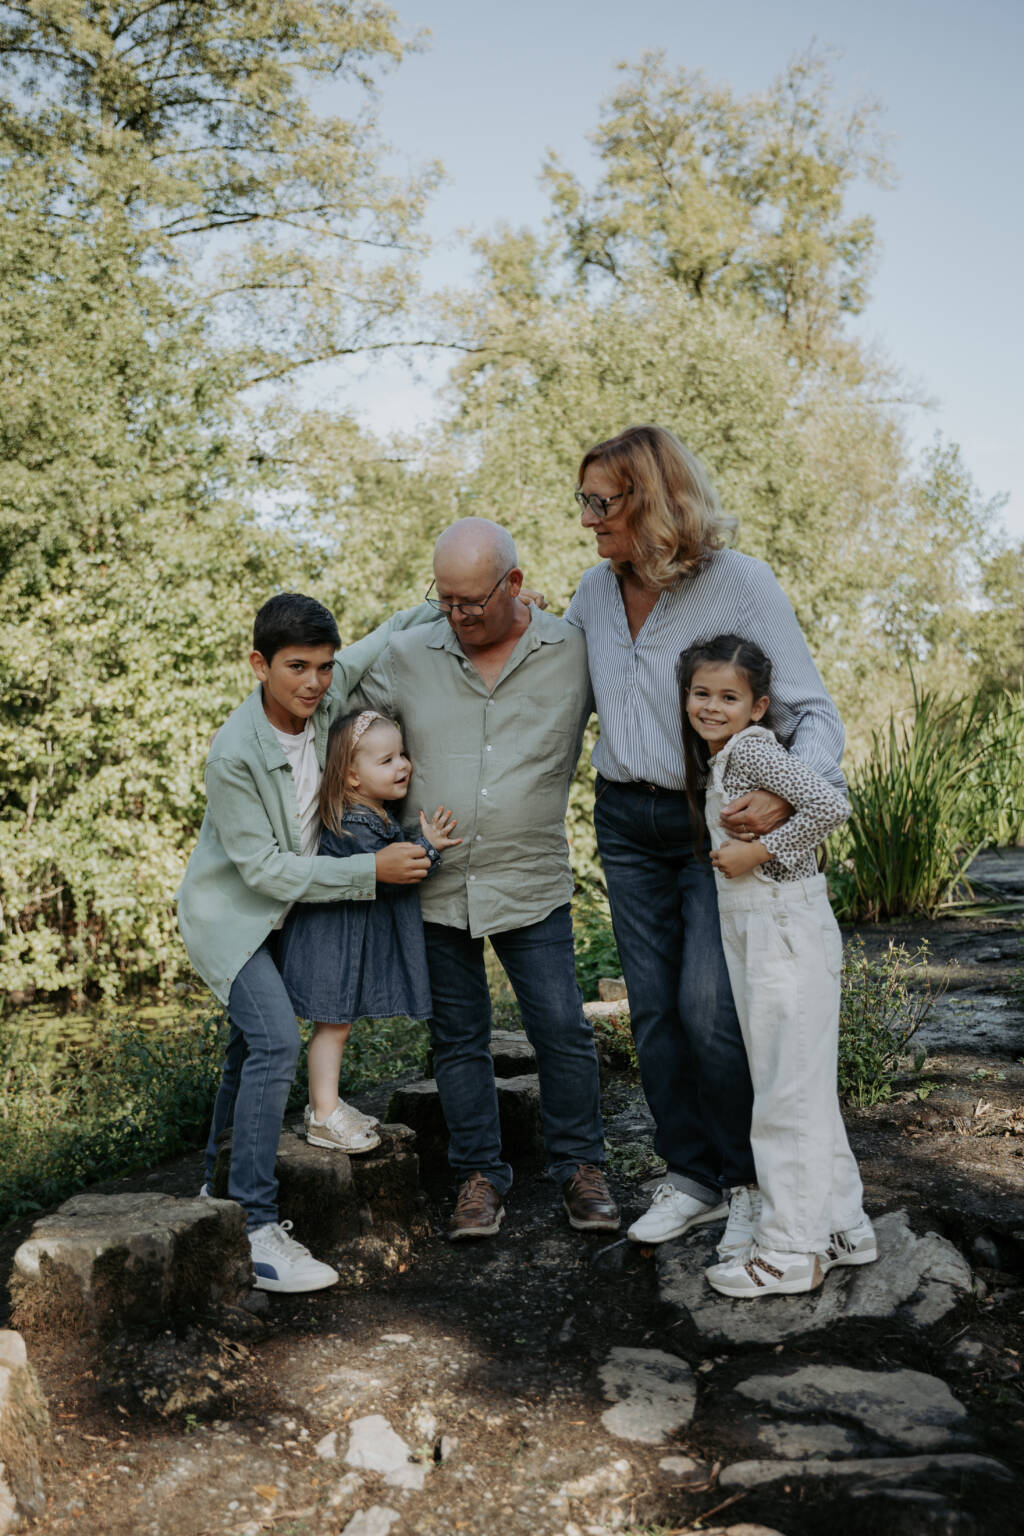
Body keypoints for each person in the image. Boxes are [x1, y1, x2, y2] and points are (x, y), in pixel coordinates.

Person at [566, 424, 847, 1253]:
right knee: (652, 1013)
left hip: (707, 823)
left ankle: (748, 1182)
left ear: (651, 501)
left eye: (600, 502)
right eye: (583, 501)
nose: (586, 518)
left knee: (710, 1008)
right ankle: (688, 1174)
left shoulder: (740, 584)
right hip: (623, 819)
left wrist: (787, 801)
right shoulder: (591, 592)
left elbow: (812, 713)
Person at [350, 517, 620, 1240]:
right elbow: (335, 718)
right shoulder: (407, 653)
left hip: (529, 880)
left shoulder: (572, 649)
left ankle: (581, 1170)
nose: (459, 615)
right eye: (446, 600)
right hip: (432, 880)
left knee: (561, 1030)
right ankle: (478, 1176)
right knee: (457, 1037)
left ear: (514, 584)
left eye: (473, 600)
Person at [176, 593, 435, 1293]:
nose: (315, 683)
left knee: (244, 1052)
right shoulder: (234, 752)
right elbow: (260, 869)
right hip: (233, 918)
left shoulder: (326, 697)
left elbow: (388, 634)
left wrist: (464, 604)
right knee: (273, 1042)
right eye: (297, 667)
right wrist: (368, 870)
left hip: (288, 912)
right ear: (260, 665)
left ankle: (216, 1191)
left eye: (323, 666)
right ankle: (258, 1230)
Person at [677, 634, 876, 1296]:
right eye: (701, 693)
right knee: (801, 1084)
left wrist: (759, 853)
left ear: (758, 706)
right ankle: (844, 1226)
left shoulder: (754, 750)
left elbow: (829, 804)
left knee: (785, 1093)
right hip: (762, 931)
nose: (711, 706)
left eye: (728, 696)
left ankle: (792, 1250)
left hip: (782, 929)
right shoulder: (727, 754)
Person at [277, 708, 460, 1153]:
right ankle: (322, 1115)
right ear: (353, 777)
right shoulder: (353, 823)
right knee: (333, 1027)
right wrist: (429, 848)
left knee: (337, 1026)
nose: (402, 766)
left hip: (345, 941)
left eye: (402, 755)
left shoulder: (369, 811)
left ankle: (328, 1104)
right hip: (333, 944)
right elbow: (397, 867)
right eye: (387, 761)